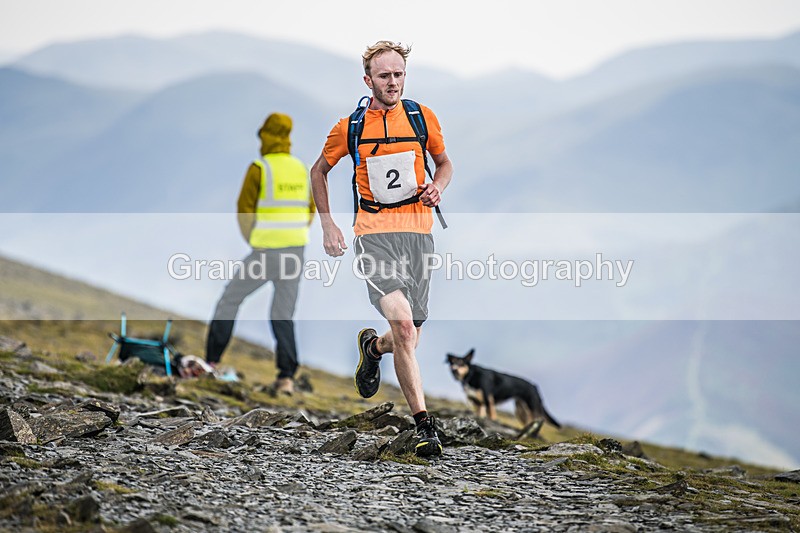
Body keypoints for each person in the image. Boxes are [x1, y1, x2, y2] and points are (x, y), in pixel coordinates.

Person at [310, 41, 454, 456]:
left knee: (407, 337)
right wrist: (328, 224)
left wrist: (437, 187)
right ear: (368, 80)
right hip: (373, 235)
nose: (392, 82)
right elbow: (318, 171)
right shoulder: (350, 127)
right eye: (384, 76)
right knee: (406, 329)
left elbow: (444, 164)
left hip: (419, 236)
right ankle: (425, 427)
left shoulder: (422, 118)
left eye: (399, 75)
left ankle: (373, 348)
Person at [206, 112, 315, 395]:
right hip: (296, 251)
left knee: (229, 300)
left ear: (266, 134)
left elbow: (244, 211)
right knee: (283, 313)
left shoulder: (260, 168)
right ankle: (287, 378)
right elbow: (310, 210)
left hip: (266, 252)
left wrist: (255, 240)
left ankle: (212, 363)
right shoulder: (302, 169)